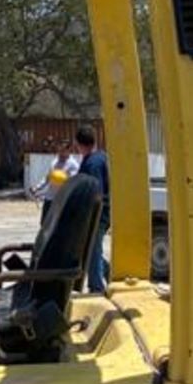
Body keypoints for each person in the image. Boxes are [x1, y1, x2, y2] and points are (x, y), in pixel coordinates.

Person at [75, 125, 110, 293]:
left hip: (97, 214)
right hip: (102, 212)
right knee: (91, 249)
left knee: (93, 250)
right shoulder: (100, 157)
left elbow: (96, 192)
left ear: (79, 144)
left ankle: (96, 288)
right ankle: (111, 275)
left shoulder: (92, 163)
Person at [28, 137, 83, 228]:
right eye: (59, 150)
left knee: (61, 224)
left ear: (69, 150)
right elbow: (48, 178)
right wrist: (37, 188)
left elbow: (74, 182)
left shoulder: (73, 165)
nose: (60, 153)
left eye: (63, 150)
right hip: (50, 198)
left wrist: (64, 179)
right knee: (45, 223)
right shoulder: (54, 162)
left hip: (63, 199)